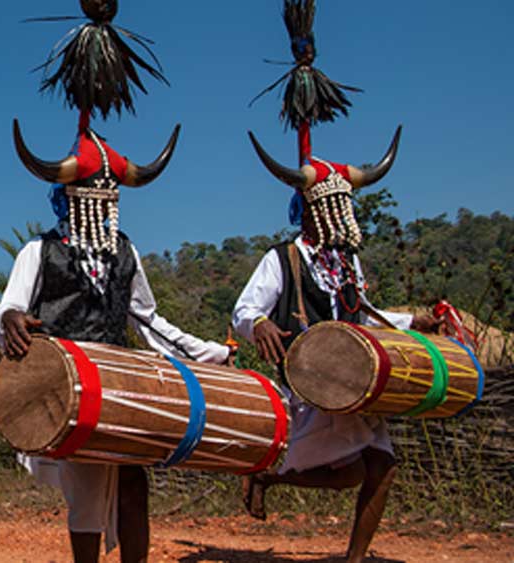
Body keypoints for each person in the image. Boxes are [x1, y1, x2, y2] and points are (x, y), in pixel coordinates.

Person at [0, 7, 232, 561]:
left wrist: (210, 353)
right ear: (68, 198)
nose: (101, 206)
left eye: (109, 197)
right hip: (65, 389)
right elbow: (7, 308)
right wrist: (9, 320)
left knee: (133, 484)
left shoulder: (124, 251)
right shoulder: (39, 251)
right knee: (85, 493)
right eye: (92, 196)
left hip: (122, 385)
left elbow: (148, 321)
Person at [235, 6, 439, 560]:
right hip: (306, 386)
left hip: (354, 378)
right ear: (307, 211)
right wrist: (259, 325)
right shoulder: (283, 258)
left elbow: (362, 311)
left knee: (377, 467)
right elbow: (244, 311)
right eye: (329, 208)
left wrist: (413, 321)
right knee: (355, 469)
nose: (339, 219)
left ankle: (351, 555)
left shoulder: (346, 261)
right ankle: (269, 477)